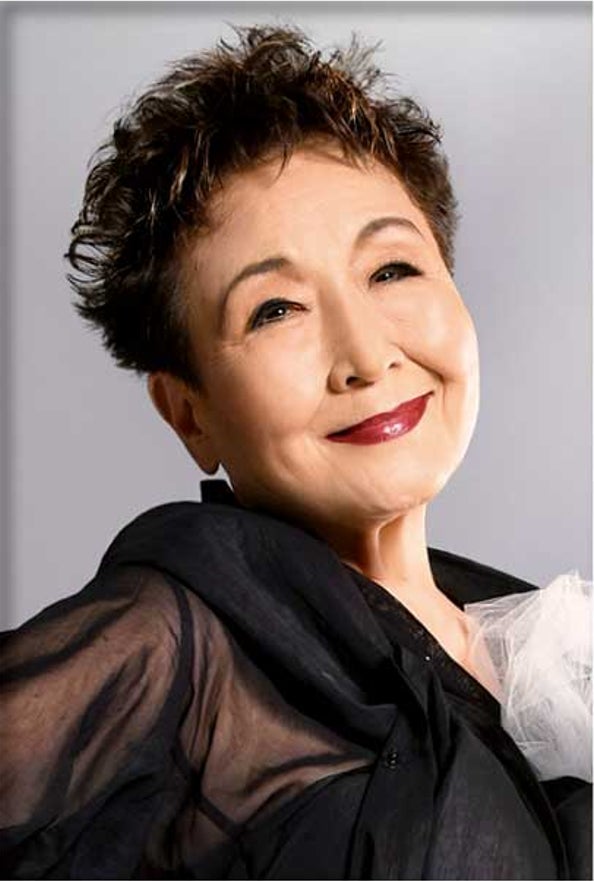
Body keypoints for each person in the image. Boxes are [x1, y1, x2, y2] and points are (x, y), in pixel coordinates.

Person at [0, 24, 591, 880]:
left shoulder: (526, 632)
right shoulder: (178, 639)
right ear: (189, 414)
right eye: (274, 310)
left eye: (391, 270)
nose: (367, 357)